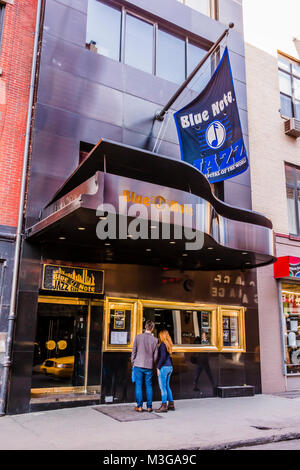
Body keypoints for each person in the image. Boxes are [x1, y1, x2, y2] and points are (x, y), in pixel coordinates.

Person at [131, 320, 158, 412]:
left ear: (145, 327)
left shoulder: (138, 337)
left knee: (138, 385)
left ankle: (139, 406)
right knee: (149, 386)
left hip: (138, 364)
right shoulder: (155, 340)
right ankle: (149, 407)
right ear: (152, 329)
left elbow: (133, 351)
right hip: (149, 366)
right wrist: (152, 363)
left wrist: (133, 361)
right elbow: (155, 355)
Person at [155, 329, 175, 412]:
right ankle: (171, 404)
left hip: (164, 368)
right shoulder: (169, 345)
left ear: (162, 336)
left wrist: (158, 367)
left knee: (162, 387)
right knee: (167, 386)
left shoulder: (163, 345)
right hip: (170, 367)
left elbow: (162, 357)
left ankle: (164, 406)